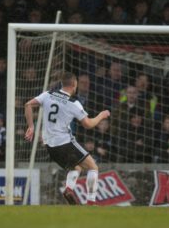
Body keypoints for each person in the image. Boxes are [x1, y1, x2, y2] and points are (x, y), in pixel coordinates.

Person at [24, 72, 110, 205]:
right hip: (64, 142)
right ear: (74, 85)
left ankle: (69, 189)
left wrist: (31, 126)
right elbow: (88, 124)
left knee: (76, 168)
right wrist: (101, 115)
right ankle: (91, 202)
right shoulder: (73, 103)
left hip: (50, 145)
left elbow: (28, 104)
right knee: (93, 167)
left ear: (62, 84)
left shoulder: (48, 94)